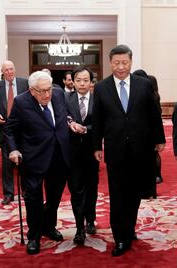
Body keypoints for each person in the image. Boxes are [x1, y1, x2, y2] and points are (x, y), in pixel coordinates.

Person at [92, 44, 165, 257]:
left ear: (131, 62)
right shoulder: (102, 87)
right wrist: (97, 145)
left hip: (140, 149)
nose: (121, 67)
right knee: (118, 195)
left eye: (125, 62)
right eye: (116, 63)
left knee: (134, 194)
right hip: (115, 150)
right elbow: (97, 119)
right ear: (110, 63)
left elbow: (154, 114)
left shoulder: (143, 85)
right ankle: (120, 238)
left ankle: (129, 228)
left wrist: (159, 139)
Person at [4, 71, 70, 255]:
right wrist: (14, 149)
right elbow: (9, 130)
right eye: (42, 91)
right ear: (32, 91)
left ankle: (48, 226)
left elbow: (66, 115)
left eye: (49, 89)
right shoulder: (21, 102)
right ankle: (34, 236)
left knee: (55, 197)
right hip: (33, 158)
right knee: (33, 199)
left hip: (59, 156)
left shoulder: (58, 94)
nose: (47, 95)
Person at [65, 66, 100, 245]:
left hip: (92, 152)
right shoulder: (65, 99)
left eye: (86, 80)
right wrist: (70, 123)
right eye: (78, 80)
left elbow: (102, 124)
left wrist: (86, 128)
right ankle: (79, 227)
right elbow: (61, 117)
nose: (82, 83)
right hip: (72, 153)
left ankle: (91, 220)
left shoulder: (98, 100)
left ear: (91, 82)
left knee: (92, 188)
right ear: (72, 81)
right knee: (76, 190)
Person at [0, 60, 29, 205]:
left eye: (11, 69)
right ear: (2, 72)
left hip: (24, 129)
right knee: (7, 164)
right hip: (6, 129)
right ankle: (8, 193)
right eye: (6, 70)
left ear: (15, 70)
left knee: (25, 161)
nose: (10, 72)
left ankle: (25, 191)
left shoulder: (25, 83)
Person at [133, 68, 163, 196]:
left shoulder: (146, 94)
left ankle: (147, 190)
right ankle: (150, 190)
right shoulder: (153, 93)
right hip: (148, 134)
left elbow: (156, 117)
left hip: (145, 134)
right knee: (149, 163)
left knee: (145, 163)